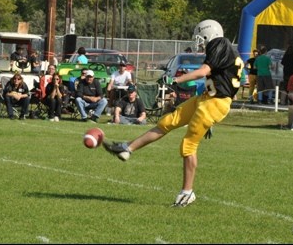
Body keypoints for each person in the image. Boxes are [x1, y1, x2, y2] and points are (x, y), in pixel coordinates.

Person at [102, 19, 244, 207]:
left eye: (201, 37)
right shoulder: (222, 48)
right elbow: (221, 78)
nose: (199, 42)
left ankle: (187, 192)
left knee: (188, 146)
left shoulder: (219, 43)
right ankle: (128, 148)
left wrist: (177, 80)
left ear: (209, 34)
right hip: (208, 98)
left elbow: (203, 72)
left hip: (215, 103)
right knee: (168, 121)